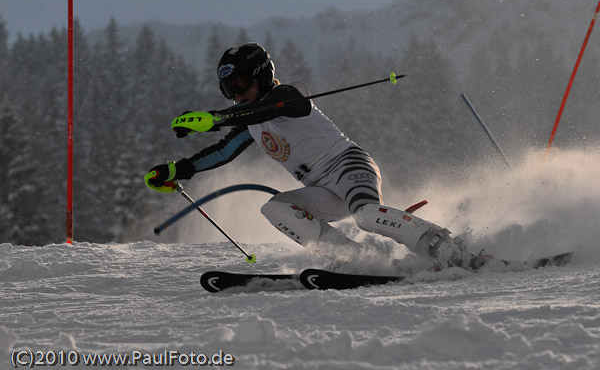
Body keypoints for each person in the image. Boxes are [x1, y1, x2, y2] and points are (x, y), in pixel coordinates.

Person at [145, 42, 475, 269]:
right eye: (229, 90)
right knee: (275, 208)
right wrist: (176, 170)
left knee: (366, 215)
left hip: (349, 167)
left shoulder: (290, 94)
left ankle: (447, 248)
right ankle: (355, 261)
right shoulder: (249, 120)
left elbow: (274, 107)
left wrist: (217, 118)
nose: (236, 94)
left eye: (242, 84)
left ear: (261, 76)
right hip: (321, 189)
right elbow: (223, 152)